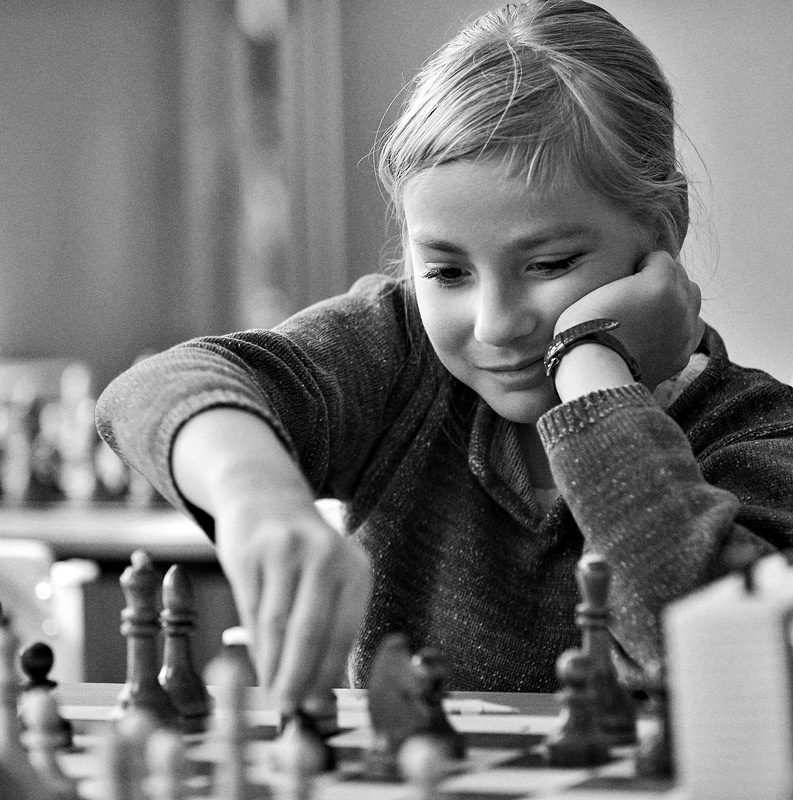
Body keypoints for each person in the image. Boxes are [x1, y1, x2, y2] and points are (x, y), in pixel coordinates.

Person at [96, 0, 793, 714]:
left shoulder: (761, 435)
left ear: (664, 231)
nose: (495, 324)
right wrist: (257, 496)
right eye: (447, 272)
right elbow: (150, 391)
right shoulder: (400, 357)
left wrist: (590, 368)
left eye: (550, 264)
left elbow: (736, 672)